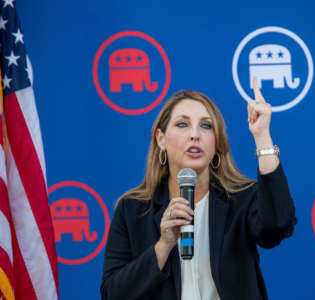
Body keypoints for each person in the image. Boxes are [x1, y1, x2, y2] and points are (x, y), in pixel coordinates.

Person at [100, 78, 297, 300]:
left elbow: (278, 225)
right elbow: (112, 294)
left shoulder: (241, 199)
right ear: (161, 139)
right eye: (182, 124)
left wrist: (262, 137)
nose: (195, 135)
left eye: (206, 125)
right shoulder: (132, 209)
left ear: (217, 143)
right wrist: (164, 245)